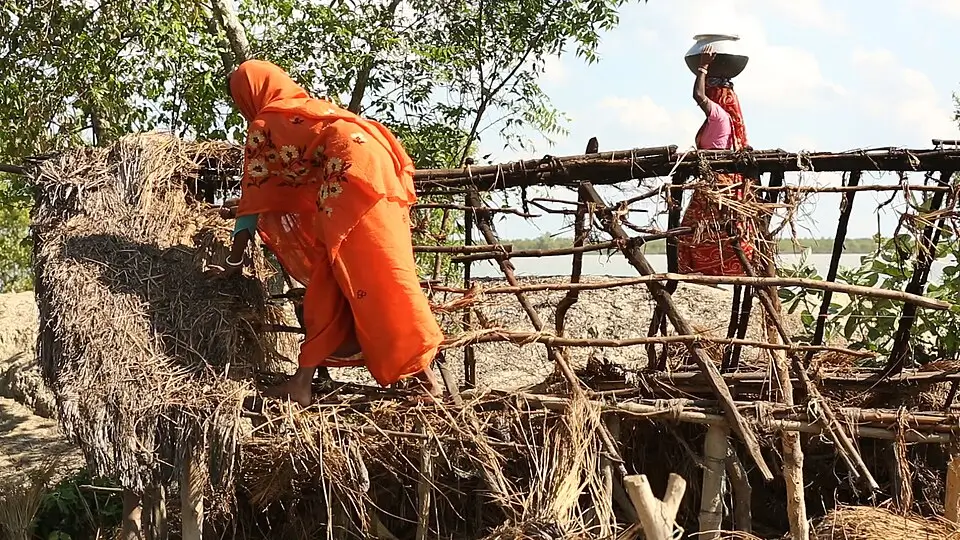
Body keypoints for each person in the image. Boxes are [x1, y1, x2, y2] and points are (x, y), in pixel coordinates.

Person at [210, 59, 445, 406]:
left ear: (249, 93)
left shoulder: (266, 121)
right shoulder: (308, 109)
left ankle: (302, 385)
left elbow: (254, 199)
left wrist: (233, 259)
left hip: (349, 176)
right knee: (382, 273)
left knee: (337, 275)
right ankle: (424, 377)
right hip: (378, 169)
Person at [676, 44, 756, 276]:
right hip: (718, 182)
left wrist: (702, 67)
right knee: (713, 229)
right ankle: (719, 270)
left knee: (700, 230)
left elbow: (698, 95)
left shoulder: (719, 116)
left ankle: (709, 271)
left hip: (716, 183)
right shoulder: (722, 120)